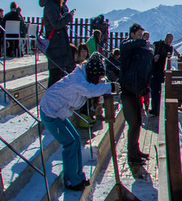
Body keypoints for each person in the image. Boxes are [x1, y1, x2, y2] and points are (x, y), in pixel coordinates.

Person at [39, 54, 118, 191]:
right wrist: (110, 87)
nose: (100, 81)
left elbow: (91, 89)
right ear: (93, 75)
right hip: (50, 113)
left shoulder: (82, 76)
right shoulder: (78, 80)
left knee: (75, 139)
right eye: (99, 78)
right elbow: (90, 90)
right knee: (69, 143)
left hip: (58, 113)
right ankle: (70, 180)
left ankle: (78, 176)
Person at [119, 23, 153, 164]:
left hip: (134, 90)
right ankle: (132, 156)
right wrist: (141, 41)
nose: (140, 38)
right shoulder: (126, 46)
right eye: (138, 35)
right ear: (132, 34)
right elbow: (126, 45)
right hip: (127, 91)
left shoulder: (136, 50)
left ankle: (136, 150)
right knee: (133, 123)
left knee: (137, 122)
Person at [38, 0, 76, 86]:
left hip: (59, 45)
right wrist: (68, 17)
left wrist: (64, 8)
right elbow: (55, 24)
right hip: (55, 45)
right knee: (55, 77)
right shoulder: (50, 4)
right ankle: (49, 101)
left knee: (60, 76)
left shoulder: (54, 4)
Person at [150, 33, 174, 117]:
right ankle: (154, 109)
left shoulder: (170, 48)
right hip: (154, 70)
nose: (170, 41)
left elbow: (168, 54)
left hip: (162, 72)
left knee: (161, 91)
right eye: (169, 39)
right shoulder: (157, 44)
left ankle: (160, 109)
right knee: (154, 90)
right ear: (166, 38)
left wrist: (159, 56)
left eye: (171, 40)